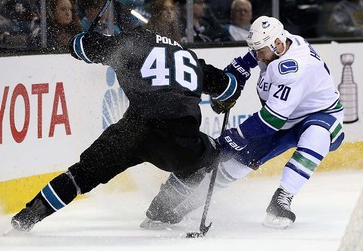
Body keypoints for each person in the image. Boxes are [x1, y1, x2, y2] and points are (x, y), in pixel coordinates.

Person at [10, 24, 245, 231]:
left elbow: (85, 46)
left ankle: (28, 216)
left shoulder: (134, 42)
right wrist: (225, 99)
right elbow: (229, 86)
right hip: (179, 138)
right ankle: (160, 212)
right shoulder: (190, 59)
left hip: (133, 131)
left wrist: (78, 40)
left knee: (80, 175)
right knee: (210, 155)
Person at [141, 15, 345, 230]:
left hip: (321, 115)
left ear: (277, 44)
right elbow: (248, 61)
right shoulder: (278, 43)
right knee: (234, 163)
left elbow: (270, 120)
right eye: (255, 51)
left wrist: (236, 134)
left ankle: (282, 199)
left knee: (316, 134)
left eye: (260, 52)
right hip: (283, 119)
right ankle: (181, 205)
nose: (257, 56)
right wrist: (237, 75)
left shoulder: (294, 69)